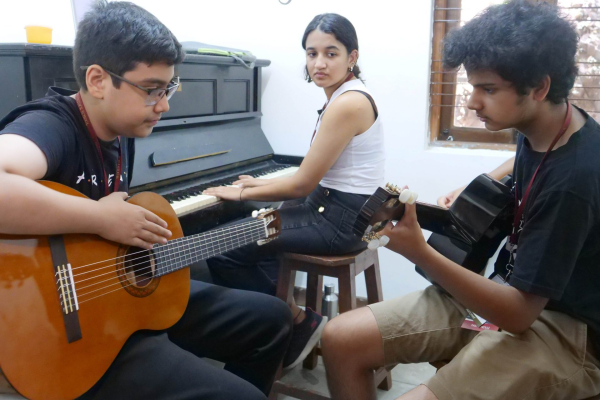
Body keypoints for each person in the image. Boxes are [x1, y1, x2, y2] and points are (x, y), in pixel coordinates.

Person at [0, 2, 292, 399]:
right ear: (98, 80)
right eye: (152, 89)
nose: (165, 104)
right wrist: (100, 218)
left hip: (116, 301)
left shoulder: (123, 131)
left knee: (273, 319)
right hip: (65, 334)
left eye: (168, 88)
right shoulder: (52, 124)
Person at [320, 1, 600, 399]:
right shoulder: (549, 124)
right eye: (473, 87)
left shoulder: (573, 182)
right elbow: (531, 160)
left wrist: (418, 251)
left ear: (539, 87)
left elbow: (518, 315)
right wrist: (484, 184)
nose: (471, 102)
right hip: (510, 291)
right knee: (340, 338)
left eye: (488, 89)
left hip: (567, 330)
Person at [203, 13, 385, 370]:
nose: (319, 63)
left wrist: (240, 194)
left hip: (338, 222)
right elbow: (312, 174)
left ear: (352, 57)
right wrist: (259, 183)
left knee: (223, 248)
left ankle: (295, 322)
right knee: (261, 234)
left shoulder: (348, 103)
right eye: (311, 53)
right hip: (338, 210)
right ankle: (278, 326)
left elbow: (303, 183)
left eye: (331, 53)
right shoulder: (344, 96)